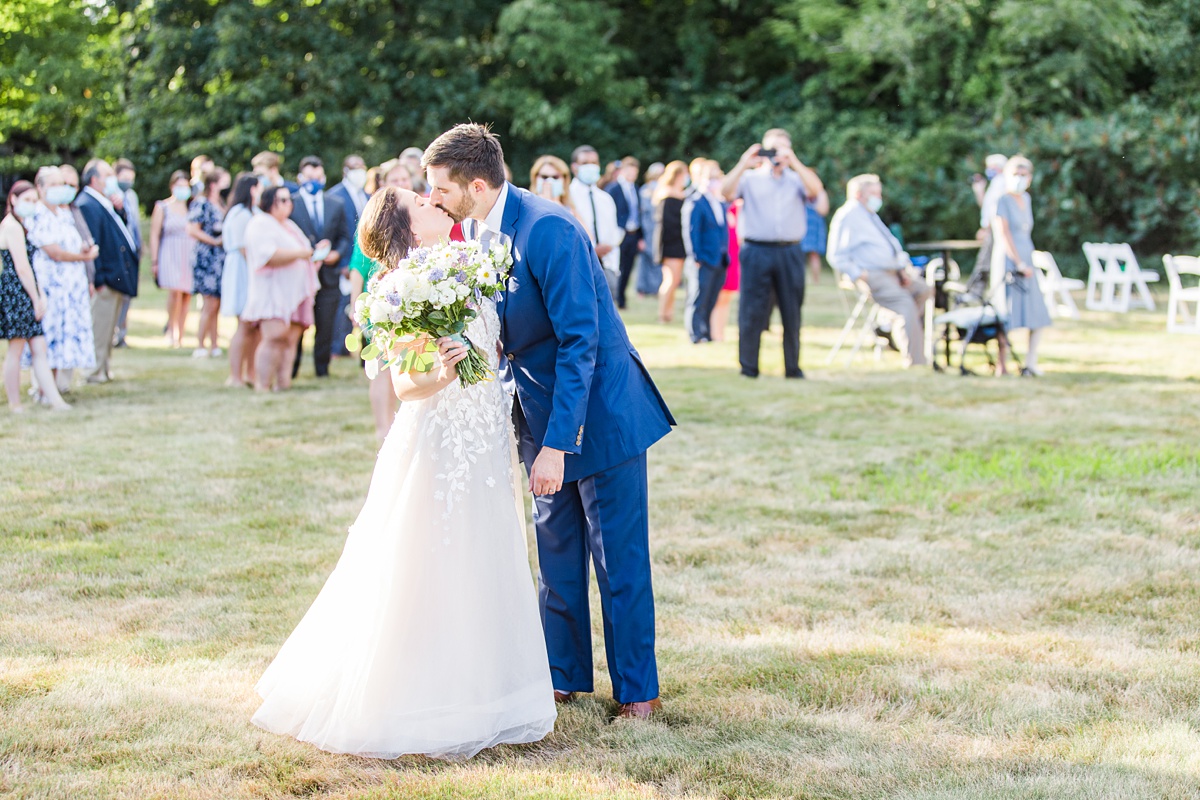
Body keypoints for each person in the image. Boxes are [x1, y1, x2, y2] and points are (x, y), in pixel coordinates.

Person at [251, 184, 557, 760]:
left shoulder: (467, 261)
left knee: (485, 551)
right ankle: (415, 694)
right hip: (440, 441)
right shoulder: (404, 286)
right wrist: (443, 372)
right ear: (409, 228)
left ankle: (488, 690)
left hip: (486, 433)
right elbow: (405, 383)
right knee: (430, 557)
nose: (429, 198)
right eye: (417, 200)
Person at [424, 122, 675, 720]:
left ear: (476, 185)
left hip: (600, 415)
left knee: (617, 560)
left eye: (440, 188)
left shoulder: (549, 229)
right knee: (556, 553)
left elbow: (579, 342)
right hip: (537, 412)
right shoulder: (477, 231)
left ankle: (638, 691)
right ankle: (562, 676)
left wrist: (559, 445)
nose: (432, 199)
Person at [722, 128, 825, 379]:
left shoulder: (797, 179)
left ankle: (793, 367)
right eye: (773, 147)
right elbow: (725, 192)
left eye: (782, 147)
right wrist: (744, 162)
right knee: (751, 309)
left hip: (790, 250)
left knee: (792, 309)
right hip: (756, 249)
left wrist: (794, 161)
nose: (777, 153)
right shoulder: (750, 178)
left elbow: (816, 191)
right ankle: (748, 367)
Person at [826, 174, 931, 368]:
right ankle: (915, 362)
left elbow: (893, 246)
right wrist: (859, 274)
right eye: (873, 193)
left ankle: (889, 324)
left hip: (893, 273)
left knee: (924, 289)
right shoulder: (848, 215)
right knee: (905, 305)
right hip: (873, 276)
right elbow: (836, 255)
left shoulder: (870, 215)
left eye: (879, 193)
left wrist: (902, 269)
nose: (878, 198)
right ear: (859, 194)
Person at [23, 167, 98, 392]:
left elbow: (72, 243)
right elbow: (54, 252)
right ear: (40, 188)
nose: (59, 189)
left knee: (64, 338)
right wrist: (83, 257)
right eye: (53, 185)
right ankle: (43, 388)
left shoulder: (64, 214)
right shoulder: (37, 215)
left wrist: (84, 250)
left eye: (60, 184)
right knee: (50, 336)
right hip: (51, 288)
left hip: (71, 288)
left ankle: (57, 386)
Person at [242, 186, 323, 392]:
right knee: (274, 337)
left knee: (290, 340)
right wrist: (301, 254)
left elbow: (305, 252)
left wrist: (315, 253)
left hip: (297, 293)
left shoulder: (289, 225)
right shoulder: (260, 223)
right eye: (283, 200)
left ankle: (283, 383)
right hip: (273, 292)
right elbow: (268, 255)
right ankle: (262, 384)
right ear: (270, 202)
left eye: (289, 200)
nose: (289, 204)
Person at [1, 181, 70, 412]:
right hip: (17, 292)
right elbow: (22, 267)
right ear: (13, 199)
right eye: (26, 200)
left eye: (33, 200)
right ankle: (15, 403)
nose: (31, 204)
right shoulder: (11, 226)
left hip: (27, 290)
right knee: (16, 348)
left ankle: (55, 400)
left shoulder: (22, 225)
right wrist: (36, 297)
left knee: (39, 348)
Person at [76, 159, 140, 384]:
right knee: (99, 327)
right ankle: (93, 371)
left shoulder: (103, 202)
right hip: (105, 278)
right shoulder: (87, 203)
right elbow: (94, 242)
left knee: (108, 327)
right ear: (94, 179)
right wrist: (99, 278)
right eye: (107, 175)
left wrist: (120, 210)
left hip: (115, 276)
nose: (112, 179)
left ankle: (103, 368)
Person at [289, 155, 352, 378]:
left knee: (326, 324)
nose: (314, 182)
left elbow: (345, 236)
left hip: (329, 274)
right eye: (309, 178)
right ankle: (292, 367)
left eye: (317, 177)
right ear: (300, 178)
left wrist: (336, 253)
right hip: (300, 274)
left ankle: (322, 369)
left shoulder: (335, 203)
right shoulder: (291, 203)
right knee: (297, 323)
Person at [992, 155, 1052, 377]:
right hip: (1009, 260)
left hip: (1028, 257)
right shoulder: (1002, 200)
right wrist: (1018, 262)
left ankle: (1030, 362)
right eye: (1015, 174)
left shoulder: (1026, 199)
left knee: (1037, 313)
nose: (1019, 178)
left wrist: (1028, 261)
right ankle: (1002, 364)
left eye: (1023, 174)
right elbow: (1004, 233)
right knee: (1006, 312)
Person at [327, 154, 371, 358]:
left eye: (362, 167)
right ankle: (338, 347)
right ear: (345, 170)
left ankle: (362, 349)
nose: (359, 171)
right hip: (345, 260)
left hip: (365, 257)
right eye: (355, 167)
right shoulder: (335, 196)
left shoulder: (367, 196)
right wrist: (344, 262)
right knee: (343, 307)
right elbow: (335, 231)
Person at [220, 173, 262, 387]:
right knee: (244, 324)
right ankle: (235, 375)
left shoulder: (252, 212)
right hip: (241, 270)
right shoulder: (239, 214)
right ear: (252, 189)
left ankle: (250, 373)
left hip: (250, 269)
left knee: (254, 327)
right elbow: (244, 248)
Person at [568, 145, 623, 299]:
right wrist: (592, 251)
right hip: (578, 268)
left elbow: (613, 234)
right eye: (585, 163)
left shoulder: (605, 199)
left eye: (594, 163)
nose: (590, 167)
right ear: (574, 167)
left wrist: (614, 268)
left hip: (606, 267)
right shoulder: (568, 197)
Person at [150, 171, 196, 349]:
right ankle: (171, 329)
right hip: (170, 253)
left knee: (186, 294)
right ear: (172, 187)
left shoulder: (192, 207)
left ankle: (181, 333)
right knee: (175, 292)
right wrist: (154, 260)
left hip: (189, 253)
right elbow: (155, 234)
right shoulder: (163, 207)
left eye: (185, 186)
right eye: (179, 186)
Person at [188, 167, 229, 358]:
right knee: (209, 303)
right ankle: (200, 344)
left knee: (216, 304)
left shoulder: (221, 203)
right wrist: (213, 241)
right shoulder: (201, 203)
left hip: (220, 258)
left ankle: (214, 344)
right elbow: (192, 229)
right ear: (213, 184)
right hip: (207, 258)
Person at [687, 160, 729, 344]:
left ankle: (706, 331)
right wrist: (695, 256)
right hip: (704, 258)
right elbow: (692, 231)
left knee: (712, 297)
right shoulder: (696, 202)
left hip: (720, 258)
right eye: (710, 178)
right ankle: (695, 333)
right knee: (699, 297)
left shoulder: (719, 202)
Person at [651, 160, 688, 323]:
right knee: (670, 279)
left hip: (678, 243)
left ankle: (669, 313)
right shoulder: (667, 195)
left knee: (675, 280)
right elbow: (667, 223)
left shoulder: (680, 194)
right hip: (670, 242)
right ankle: (662, 314)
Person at [111, 159, 142, 349]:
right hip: (118, 252)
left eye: (131, 178)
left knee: (128, 296)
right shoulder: (111, 196)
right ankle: (113, 333)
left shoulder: (132, 196)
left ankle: (122, 333)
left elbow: (135, 223)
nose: (128, 181)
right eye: (124, 177)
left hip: (133, 249)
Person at [605, 157, 642, 310]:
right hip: (619, 233)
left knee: (628, 267)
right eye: (630, 172)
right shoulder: (613, 189)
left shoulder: (636, 189)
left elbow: (639, 213)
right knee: (617, 267)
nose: (632, 175)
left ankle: (622, 298)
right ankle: (613, 297)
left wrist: (640, 236)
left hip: (633, 233)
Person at [710, 200, 741, 342]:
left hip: (736, 258)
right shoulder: (727, 209)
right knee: (720, 297)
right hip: (726, 258)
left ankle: (720, 332)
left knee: (727, 297)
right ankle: (715, 332)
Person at [973, 153, 1008, 276]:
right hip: (991, 228)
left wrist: (986, 228)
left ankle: (976, 287)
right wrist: (979, 191)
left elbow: (995, 210)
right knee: (986, 262)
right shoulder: (995, 183)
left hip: (993, 229)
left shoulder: (1001, 183)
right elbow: (986, 207)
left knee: (984, 263)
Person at [635, 162, 664, 296]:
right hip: (646, 232)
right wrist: (640, 236)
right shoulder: (644, 191)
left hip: (659, 232)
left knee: (658, 261)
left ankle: (656, 289)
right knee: (645, 261)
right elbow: (640, 215)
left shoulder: (663, 190)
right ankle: (642, 289)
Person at [801, 189, 830, 285]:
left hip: (805, 224)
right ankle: (815, 281)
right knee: (813, 255)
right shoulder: (819, 192)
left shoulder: (801, 189)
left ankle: (814, 281)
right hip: (812, 224)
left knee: (810, 255)